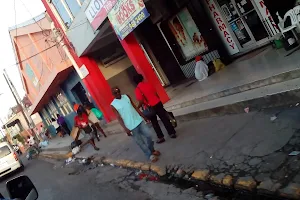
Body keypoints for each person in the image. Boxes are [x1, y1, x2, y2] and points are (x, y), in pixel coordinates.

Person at [111, 87, 161, 162]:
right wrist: (125, 129)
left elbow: (135, 107)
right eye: (115, 93)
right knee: (140, 142)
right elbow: (119, 118)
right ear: (113, 94)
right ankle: (150, 155)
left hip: (139, 121)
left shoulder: (126, 96)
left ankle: (152, 150)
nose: (118, 93)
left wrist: (143, 116)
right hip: (130, 126)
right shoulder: (113, 105)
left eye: (118, 91)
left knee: (149, 135)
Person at [133, 74, 176, 144]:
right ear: (141, 78)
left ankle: (161, 137)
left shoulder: (138, 89)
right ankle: (172, 133)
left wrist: (137, 107)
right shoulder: (148, 84)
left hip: (150, 107)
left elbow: (140, 100)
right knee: (164, 119)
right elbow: (155, 93)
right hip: (158, 103)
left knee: (155, 123)